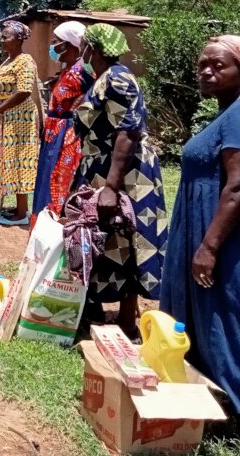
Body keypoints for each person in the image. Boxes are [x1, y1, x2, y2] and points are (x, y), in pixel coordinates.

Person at [160, 36, 240, 448]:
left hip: (235, 240)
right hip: (213, 232)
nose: (207, 72)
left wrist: (209, 246)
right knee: (205, 322)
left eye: (219, 66)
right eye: (202, 65)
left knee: (234, 326)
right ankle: (215, 415)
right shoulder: (229, 112)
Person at [73, 23, 166, 336]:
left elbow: (128, 131)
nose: (81, 52)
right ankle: (102, 311)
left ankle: (127, 319)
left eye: (84, 46)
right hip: (103, 167)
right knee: (110, 239)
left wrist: (111, 187)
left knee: (126, 235)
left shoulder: (117, 77)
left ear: (94, 49)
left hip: (125, 172)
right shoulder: (105, 78)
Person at [31, 21, 89, 225]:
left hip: (67, 135)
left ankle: (53, 227)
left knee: (58, 180)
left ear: (70, 45)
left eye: (56, 42)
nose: (52, 47)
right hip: (55, 132)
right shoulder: (69, 69)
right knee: (48, 177)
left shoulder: (83, 72)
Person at [0, 20, 41, 227]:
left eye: (5, 37)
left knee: (19, 159)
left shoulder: (25, 61)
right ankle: (15, 207)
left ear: (19, 39)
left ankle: (22, 213)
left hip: (19, 119)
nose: (1, 40)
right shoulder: (8, 61)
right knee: (8, 160)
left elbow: (24, 90)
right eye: (1, 36)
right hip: (5, 118)